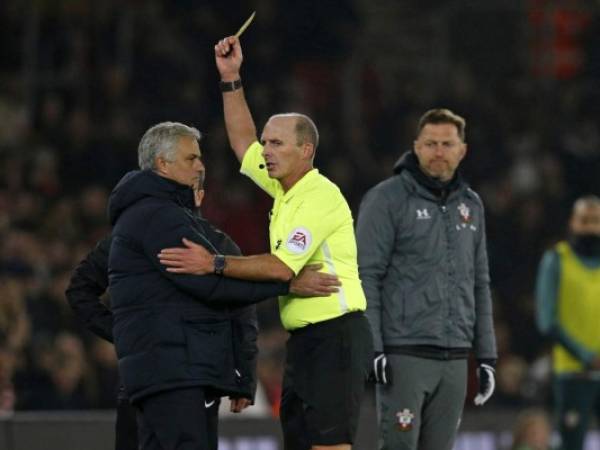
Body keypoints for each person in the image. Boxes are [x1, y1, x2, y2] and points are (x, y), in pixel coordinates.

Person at [157, 37, 373, 450]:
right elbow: (242, 143)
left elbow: (279, 268)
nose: (266, 150)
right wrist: (231, 78)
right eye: (268, 142)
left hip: (337, 336)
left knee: (330, 445)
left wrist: (214, 264)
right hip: (307, 339)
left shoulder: (318, 196)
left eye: (277, 143)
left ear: (305, 150)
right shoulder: (285, 190)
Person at [107, 121, 337, 450]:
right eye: (191, 159)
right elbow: (209, 284)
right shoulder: (156, 216)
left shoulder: (156, 215)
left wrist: (240, 374)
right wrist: (285, 283)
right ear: (162, 164)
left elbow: (221, 293)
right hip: (173, 373)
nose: (201, 165)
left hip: (172, 369)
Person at [355, 108, 498, 450]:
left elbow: (479, 282)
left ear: (462, 149)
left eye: (447, 144)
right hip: (404, 354)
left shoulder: (472, 206)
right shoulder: (386, 199)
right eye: (431, 143)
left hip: (454, 359)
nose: (438, 152)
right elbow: (365, 276)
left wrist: (487, 356)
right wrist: (372, 346)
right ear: (416, 147)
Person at [535, 195, 600, 450]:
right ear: (572, 223)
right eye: (584, 220)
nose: (590, 227)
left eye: (596, 221)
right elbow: (546, 321)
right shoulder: (556, 259)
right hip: (574, 374)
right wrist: (587, 356)